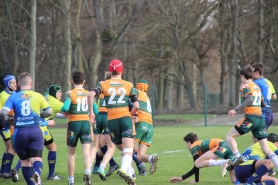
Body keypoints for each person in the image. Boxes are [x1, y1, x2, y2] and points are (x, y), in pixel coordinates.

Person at [87, 59, 139, 185]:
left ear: (110, 71)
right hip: (125, 118)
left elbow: (90, 95)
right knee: (128, 149)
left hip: (111, 121)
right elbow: (136, 106)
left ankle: (130, 174)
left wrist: (91, 114)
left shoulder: (103, 84)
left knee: (121, 149)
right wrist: (129, 115)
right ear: (122, 70)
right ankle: (123, 169)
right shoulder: (128, 85)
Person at [0, 72, 52, 185]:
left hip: (20, 132)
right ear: (31, 83)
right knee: (37, 160)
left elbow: (3, 113)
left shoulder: (13, 96)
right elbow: (49, 112)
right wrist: (38, 116)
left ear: (18, 84)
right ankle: (37, 173)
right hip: (35, 131)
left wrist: (10, 119)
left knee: (25, 163)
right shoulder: (38, 95)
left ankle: (32, 183)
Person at [226, 66, 278, 172]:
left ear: (242, 76)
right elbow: (263, 103)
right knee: (266, 149)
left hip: (251, 118)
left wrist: (236, 109)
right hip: (260, 119)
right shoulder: (257, 86)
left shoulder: (246, 85)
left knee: (229, 136)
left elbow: (249, 99)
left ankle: (237, 157)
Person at [60, 70, 92, 185]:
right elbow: (96, 110)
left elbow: (65, 107)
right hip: (86, 123)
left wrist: (65, 111)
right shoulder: (89, 93)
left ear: (72, 81)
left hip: (74, 123)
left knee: (71, 154)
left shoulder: (70, 93)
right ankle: (88, 172)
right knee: (86, 153)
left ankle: (71, 181)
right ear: (84, 81)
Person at [169, 133, 235, 183]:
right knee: (234, 180)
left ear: (189, 143)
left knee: (197, 163)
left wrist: (182, 178)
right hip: (228, 146)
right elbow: (197, 166)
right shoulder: (199, 145)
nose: (186, 146)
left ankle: (223, 162)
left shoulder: (194, 146)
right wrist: (196, 180)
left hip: (221, 146)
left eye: (186, 144)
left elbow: (196, 165)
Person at [90, 71, 119, 181]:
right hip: (103, 117)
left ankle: (133, 169)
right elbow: (97, 106)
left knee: (121, 147)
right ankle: (110, 164)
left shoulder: (109, 90)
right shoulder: (102, 91)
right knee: (101, 143)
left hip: (111, 118)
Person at [133, 79, 158, 175]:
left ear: (138, 86)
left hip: (141, 123)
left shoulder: (137, 92)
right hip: (150, 126)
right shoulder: (147, 97)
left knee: (127, 147)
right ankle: (151, 158)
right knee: (140, 156)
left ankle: (129, 172)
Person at [41, 84, 65, 180]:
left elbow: (55, 113)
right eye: (59, 92)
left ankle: (14, 170)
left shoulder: (45, 97)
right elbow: (69, 110)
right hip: (41, 128)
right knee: (52, 148)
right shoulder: (54, 101)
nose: (61, 94)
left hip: (33, 126)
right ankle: (51, 175)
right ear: (53, 93)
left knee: (30, 152)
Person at [0, 75, 17, 179]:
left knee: (9, 148)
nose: (15, 84)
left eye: (15, 82)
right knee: (10, 147)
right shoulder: (2, 95)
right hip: (4, 125)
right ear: (7, 84)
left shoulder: (15, 94)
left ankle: (3, 171)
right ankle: (5, 171)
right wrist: (8, 118)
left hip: (13, 124)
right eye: (12, 83)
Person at [251, 63, 275, 130]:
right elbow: (274, 96)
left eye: (251, 72)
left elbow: (242, 88)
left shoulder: (257, 82)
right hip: (268, 111)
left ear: (256, 72)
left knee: (261, 137)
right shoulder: (267, 81)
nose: (251, 74)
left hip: (263, 113)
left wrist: (246, 76)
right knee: (257, 135)